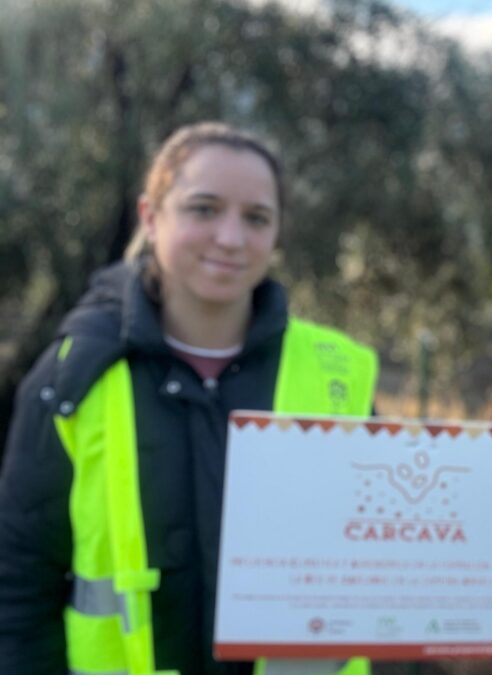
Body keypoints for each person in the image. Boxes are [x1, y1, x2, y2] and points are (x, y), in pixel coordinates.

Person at [0, 123, 379, 674]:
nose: (231, 238)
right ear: (151, 217)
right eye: (204, 209)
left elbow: (384, 556)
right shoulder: (72, 380)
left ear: (277, 235)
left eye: (256, 218)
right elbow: (18, 579)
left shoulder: (340, 374)